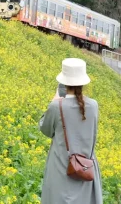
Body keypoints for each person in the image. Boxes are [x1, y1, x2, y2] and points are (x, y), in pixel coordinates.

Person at [38, 58, 102, 204]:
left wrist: (54, 100)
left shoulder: (57, 106)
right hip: (86, 167)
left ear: (64, 82)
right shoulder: (93, 106)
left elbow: (45, 129)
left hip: (61, 167)